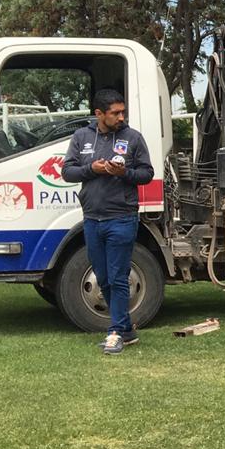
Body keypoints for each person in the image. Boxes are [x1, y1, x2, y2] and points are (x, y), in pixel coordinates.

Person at [61, 88, 155, 354]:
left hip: (122, 217)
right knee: (103, 277)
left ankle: (115, 333)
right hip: (92, 218)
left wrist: (124, 172)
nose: (121, 117)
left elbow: (147, 173)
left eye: (123, 112)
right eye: (116, 113)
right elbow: (67, 171)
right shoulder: (82, 137)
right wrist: (92, 169)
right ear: (99, 114)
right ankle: (126, 328)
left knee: (117, 276)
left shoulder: (133, 138)